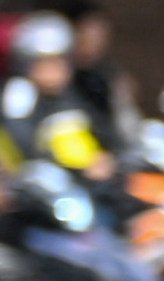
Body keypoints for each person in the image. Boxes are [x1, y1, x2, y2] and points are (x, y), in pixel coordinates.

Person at [1, 11, 113, 181]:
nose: (54, 69)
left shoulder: (70, 94)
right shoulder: (20, 95)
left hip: (89, 184)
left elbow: (100, 129)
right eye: (45, 62)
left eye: (60, 60)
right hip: (41, 188)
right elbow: (22, 143)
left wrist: (106, 157)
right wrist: (77, 169)